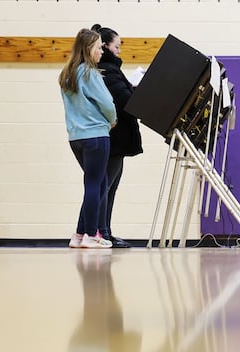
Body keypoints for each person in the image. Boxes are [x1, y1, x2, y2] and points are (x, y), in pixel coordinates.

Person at [59, 28, 116, 249]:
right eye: (99, 47)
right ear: (89, 48)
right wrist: (112, 120)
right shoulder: (90, 73)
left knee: (98, 184)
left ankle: (79, 233)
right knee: (95, 185)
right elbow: (108, 104)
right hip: (96, 135)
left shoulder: (66, 74)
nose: (102, 51)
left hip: (76, 137)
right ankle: (92, 235)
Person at [92, 24, 144, 248]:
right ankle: (102, 232)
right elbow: (123, 101)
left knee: (109, 188)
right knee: (105, 188)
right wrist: (136, 90)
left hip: (116, 138)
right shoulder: (107, 70)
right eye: (117, 46)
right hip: (114, 138)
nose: (119, 51)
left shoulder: (110, 69)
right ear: (105, 46)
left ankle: (106, 231)